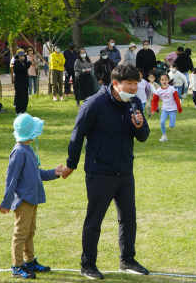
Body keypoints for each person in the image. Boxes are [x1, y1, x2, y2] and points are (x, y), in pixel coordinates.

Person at [62, 64, 150, 279]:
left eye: (136, 83)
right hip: (99, 171)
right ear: (115, 83)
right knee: (94, 220)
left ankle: (127, 260)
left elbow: (144, 135)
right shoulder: (94, 103)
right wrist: (71, 165)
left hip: (125, 172)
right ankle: (88, 264)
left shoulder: (135, 103)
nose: (133, 88)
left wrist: (139, 126)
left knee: (128, 219)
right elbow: (77, 135)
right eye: (129, 83)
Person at [0, 114, 62, 279]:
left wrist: (54, 173)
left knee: (30, 232)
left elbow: (37, 173)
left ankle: (30, 261)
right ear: (31, 132)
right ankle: (17, 266)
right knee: (21, 233)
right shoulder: (19, 152)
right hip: (24, 201)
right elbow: (11, 179)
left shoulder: (28, 150)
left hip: (33, 199)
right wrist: (6, 203)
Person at [150, 73, 182, 142]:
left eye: (165, 80)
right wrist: (153, 109)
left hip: (173, 109)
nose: (164, 81)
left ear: (168, 80)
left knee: (172, 126)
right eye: (162, 80)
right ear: (160, 81)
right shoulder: (158, 90)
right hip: (164, 109)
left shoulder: (172, 89)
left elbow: (177, 99)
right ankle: (164, 136)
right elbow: (154, 100)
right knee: (162, 122)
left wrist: (179, 108)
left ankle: (171, 124)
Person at [13, 49, 33, 115]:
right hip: (20, 84)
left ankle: (23, 110)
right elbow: (23, 69)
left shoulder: (21, 62)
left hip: (24, 83)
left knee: (25, 99)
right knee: (20, 98)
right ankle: (19, 111)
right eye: (22, 55)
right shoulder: (17, 63)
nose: (23, 57)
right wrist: (29, 63)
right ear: (18, 56)